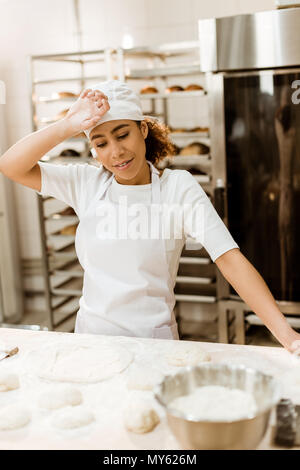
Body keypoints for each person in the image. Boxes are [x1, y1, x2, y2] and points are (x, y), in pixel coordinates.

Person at [0, 80, 299, 351]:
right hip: (91, 343)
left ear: (143, 129)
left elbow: (229, 259)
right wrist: (66, 125)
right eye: (101, 143)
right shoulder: (85, 184)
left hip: (154, 347)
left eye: (123, 134)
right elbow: (11, 166)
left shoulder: (178, 187)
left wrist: (289, 337)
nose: (115, 152)